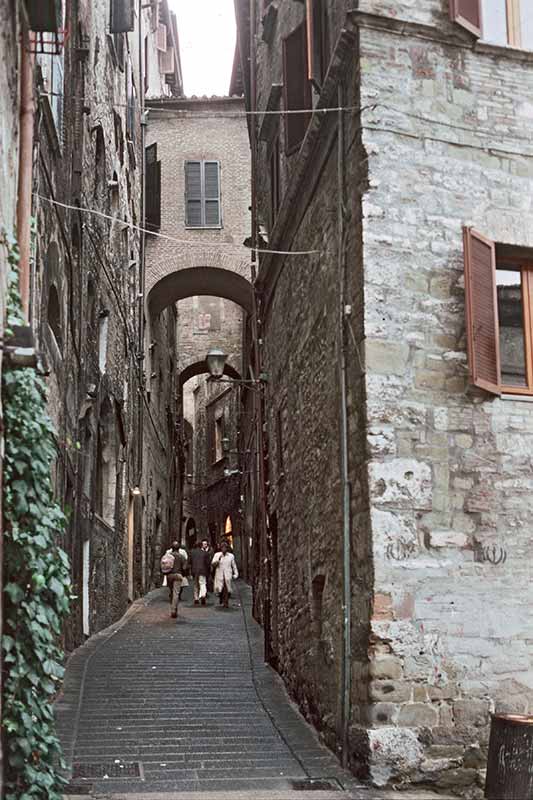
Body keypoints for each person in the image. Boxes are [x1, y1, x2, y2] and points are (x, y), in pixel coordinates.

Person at [161, 542, 188, 619]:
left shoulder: (168, 556)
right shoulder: (181, 556)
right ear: (178, 548)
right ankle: (173, 610)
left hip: (169, 576)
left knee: (172, 592)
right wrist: (184, 574)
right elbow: (185, 567)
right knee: (176, 593)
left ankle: (172, 605)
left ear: (172, 548)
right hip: (178, 575)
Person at [211, 541, 239, 608]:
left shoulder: (231, 556)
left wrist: (236, 573)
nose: (224, 549)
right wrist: (218, 560)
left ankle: (226, 603)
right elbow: (213, 564)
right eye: (222, 548)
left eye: (225, 548)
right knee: (220, 589)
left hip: (227, 574)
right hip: (219, 574)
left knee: (227, 589)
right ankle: (221, 598)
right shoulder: (217, 555)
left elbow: (234, 565)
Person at [190, 541, 211, 605]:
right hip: (203, 570)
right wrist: (208, 571)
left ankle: (196, 598)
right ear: (201, 546)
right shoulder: (205, 553)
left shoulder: (192, 553)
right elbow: (208, 563)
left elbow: (190, 562)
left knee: (196, 584)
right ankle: (203, 595)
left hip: (194, 570)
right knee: (203, 583)